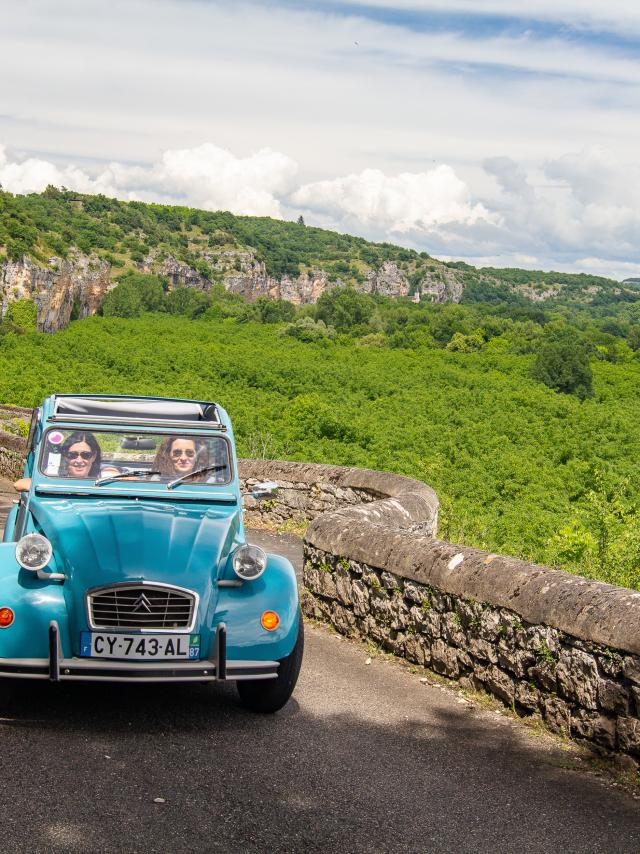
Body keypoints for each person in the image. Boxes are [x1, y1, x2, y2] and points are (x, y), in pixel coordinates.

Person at [14, 431, 102, 491]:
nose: (79, 460)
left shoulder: (102, 479)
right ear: (65, 456)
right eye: (72, 455)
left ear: (94, 456)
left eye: (86, 455)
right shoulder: (54, 476)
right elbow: (18, 485)